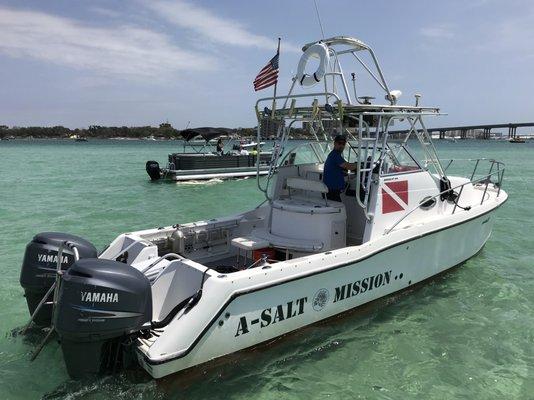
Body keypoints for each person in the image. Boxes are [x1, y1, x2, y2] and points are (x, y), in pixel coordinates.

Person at [323, 135, 358, 202]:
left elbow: (342, 167)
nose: (341, 146)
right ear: (335, 143)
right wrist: (360, 165)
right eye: (339, 143)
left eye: (343, 144)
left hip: (334, 190)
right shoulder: (335, 155)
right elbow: (348, 166)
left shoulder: (337, 155)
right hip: (331, 190)